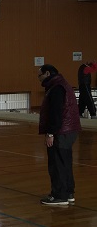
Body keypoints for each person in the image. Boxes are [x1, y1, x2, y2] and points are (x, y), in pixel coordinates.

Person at [38, 64, 81, 205]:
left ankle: (59, 195)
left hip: (61, 131)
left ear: (47, 73)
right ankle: (68, 193)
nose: (39, 78)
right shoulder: (63, 85)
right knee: (65, 162)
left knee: (57, 164)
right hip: (68, 130)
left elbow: (55, 113)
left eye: (40, 75)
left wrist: (50, 133)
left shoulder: (56, 88)